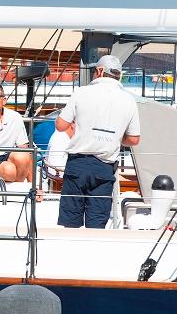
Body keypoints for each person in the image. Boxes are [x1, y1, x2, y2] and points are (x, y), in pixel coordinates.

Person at [55, 55, 140, 228]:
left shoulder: (81, 92)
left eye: (94, 71)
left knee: (70, 225)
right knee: (97, 226)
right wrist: (115, 137)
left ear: (100, 71)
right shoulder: (129, 100)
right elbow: (134, 139)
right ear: (119, 76)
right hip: (104, 168)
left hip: (77, 165)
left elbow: (60, 125)